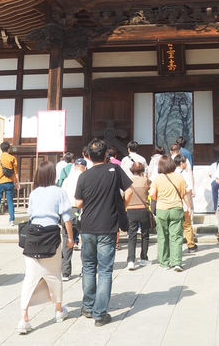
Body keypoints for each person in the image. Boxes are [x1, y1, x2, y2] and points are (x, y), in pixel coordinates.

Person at [74, 138, 132, 327]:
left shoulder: (84, 176)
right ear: (106, 154)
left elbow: (78, 203)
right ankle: (100, 313)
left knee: (89, 267)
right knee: (105, 270)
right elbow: (129, 190)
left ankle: (88, 307)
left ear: (89, 156)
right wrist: (120, 205)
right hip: (107, 225)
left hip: (88, 226)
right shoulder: (114, 171)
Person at [17, 160, 74, 335]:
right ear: (53, 175)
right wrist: (70, 238)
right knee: (54, 275)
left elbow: (30, 214)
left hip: (33, 236)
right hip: (51, 235)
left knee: (30, 277)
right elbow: (66, 217)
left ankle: (24, 318)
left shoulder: (34, 193)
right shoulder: (60, 192)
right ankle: (58, 310)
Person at [149, 155, 192, 272]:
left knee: (162, 236)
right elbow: (185, 194)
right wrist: (189, 207)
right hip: (176, 208)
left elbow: (152, 194)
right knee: (176, 236)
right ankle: (177, 262)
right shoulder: (179, 178)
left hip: (162, 209)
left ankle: (164, 262)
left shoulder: (157, 179)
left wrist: (160, 197)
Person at [60, 158, 87, 281]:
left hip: (68, 211)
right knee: (85, 241)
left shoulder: (66, 180)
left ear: (74, 166)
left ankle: (65, 272)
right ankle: (84, 269)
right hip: (82, 210)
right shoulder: (86, 178)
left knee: (67, 240)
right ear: (84, 167)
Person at [126, 162, 151, 270]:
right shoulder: (145, 181)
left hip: (130, 210)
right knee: (145, 234)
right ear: (142, 170)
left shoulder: (127, 181)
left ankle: (131, 260)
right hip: (143, 209)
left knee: (132, 235)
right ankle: (144, 258)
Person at [0, 141, 19, 227]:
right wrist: (17, 182)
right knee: (10, 201)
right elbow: (15, 172)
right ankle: (11, 220)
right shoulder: (12, 158)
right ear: (8, 148)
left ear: (1, 149)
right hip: (9, 182)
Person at [175, 154, 197, 252]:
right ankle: (191, 245)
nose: (186, 164)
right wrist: (190, 206)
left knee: (175, 227)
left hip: (173, 204)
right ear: (181, 163)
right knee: (187, 225)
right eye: (184, 162)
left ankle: (176, 246)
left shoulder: (171, 174)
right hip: (183, 204)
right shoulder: (185, 174)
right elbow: (187, 191)